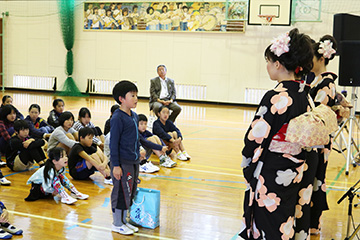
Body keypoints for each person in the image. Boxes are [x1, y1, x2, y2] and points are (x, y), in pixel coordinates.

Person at [239, 28, 314, 239]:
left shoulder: (276, 97)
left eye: (268, 61)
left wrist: (248, 164)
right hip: (296, 168)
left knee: (268, 221)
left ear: (278, 64)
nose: (267, 66)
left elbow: (254, 139)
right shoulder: (304, 96)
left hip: (272, 172)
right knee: (285, 218)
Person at [308, 35, 339, 235]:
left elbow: (318, 112)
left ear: (321, 58)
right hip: (313, 139)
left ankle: (314, 224)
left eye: (310, 56)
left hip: (318, 140)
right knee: (312, 179)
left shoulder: (327, 82)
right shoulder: (318, 80)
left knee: (317, 178)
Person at [110, 80, 140, 235]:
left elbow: (135, 138)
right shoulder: (117, 118)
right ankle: (116, 223)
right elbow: (113, 144)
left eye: (136, 95)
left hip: (134, 161)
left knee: (130, 191)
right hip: (122, 163)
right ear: (121, 98)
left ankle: (123, 221)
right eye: (132, 95)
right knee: (121, 192)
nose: (136, 99)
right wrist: (116, 165)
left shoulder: (134, 116)